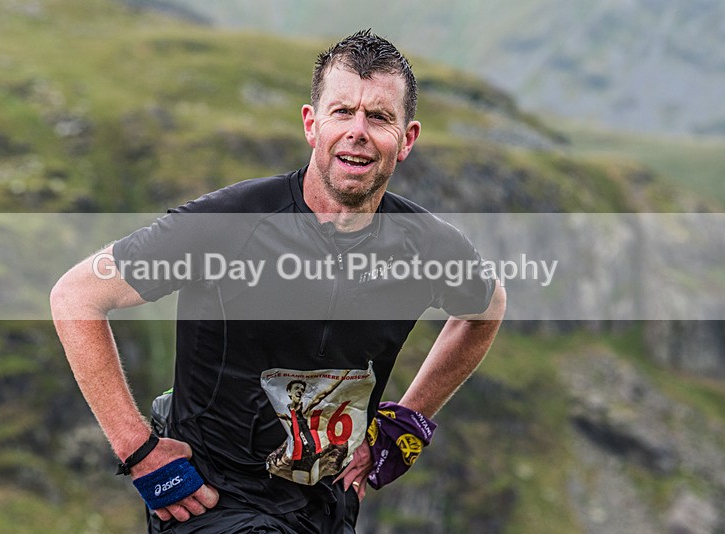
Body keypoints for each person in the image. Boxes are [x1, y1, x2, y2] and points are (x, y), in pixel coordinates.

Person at [51, 29, 506, 533]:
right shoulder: (227, 223)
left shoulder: (427, 247)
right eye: (342, 112)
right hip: (210, 501)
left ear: (407, 140)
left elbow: (486, 308)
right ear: (312, 125)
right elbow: (77, 295)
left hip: (324, 509)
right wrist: (137, 449)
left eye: (378, 117)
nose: (358, 131)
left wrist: (407, 423)